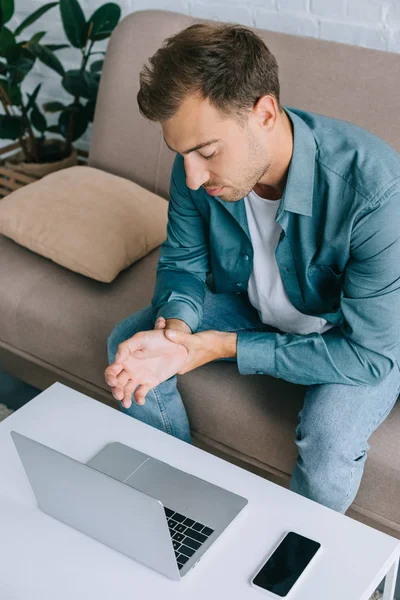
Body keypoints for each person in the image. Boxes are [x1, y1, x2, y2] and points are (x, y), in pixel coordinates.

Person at [104, 22, 400, 514]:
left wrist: (219, 346)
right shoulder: (192, 168)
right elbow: (182, 263)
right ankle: (180, 513)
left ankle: (295, 567)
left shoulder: (376, 194)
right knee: (130, 347)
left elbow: (369, 356)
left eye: (208, 151)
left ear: (264, 113)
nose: (193, 177)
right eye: (182, 155)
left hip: (352, 338)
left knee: (328, 441)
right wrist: (176, 332)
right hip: (251, 305)